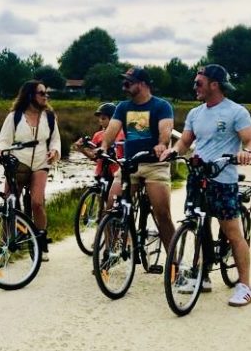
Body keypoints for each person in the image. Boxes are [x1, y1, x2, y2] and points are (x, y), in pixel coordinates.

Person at [160, 64, 251, 306]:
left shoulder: (236, 112)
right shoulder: (195, 113)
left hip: (222, 179)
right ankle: (203, 275)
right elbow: (186, 142)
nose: (194, 87)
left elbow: (249, 139)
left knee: (233, 233)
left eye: (198, 83)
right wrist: (174, 151)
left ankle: (245, 285)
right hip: (197, 177)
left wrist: (246, 152)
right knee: (198, 226)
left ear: (214, 84)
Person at [99, 67, 176, 251]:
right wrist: (103, 147)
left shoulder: (161, 106)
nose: (124, 86)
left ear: (142, 84)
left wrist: (162, 144)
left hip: (155, 165)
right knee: (110, 207)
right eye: (124, 82)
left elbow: (165, 131)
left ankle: (175, 262)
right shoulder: (123, 107)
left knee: (162, 214)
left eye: (129, 82)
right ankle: (109, 255)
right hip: (130, 164)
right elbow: (111, 131)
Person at [0, 80, 61, 261]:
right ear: (30, 95)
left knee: (37, 203)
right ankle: (4, 246)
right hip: (18, 162)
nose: (46, 96)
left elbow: (55, 139)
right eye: (42, 93)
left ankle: (41, 242)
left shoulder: (49, 116)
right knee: (9, 203)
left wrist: (54, 150)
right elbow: (3, 141)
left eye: (46, 93)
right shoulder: (14, 116)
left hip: (40, 162)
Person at [73, 102, 125, 180]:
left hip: (118, 172)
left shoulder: (122, 134)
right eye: (99, 118)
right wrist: (82, 150)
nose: (100, 121)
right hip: (101, 172)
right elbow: (94, 157)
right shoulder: (98, 135)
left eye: (103, 118)